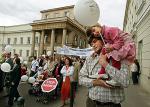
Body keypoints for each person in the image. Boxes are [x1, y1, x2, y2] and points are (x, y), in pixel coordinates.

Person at [79, 32, 130, 107]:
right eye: (91, 44)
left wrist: (105, 64)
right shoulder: (90, 58)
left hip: (111, 105)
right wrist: (95, 82)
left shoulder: (118, 56)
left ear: (103, 41)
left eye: (94, 41)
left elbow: (125, 81)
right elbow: (81, 78)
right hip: (91, 102)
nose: (93, 45)